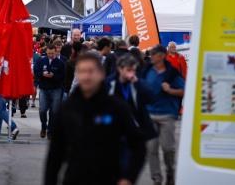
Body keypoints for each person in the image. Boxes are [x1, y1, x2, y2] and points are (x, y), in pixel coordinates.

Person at [45, 51, 141, 185]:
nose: (86, 76)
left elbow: (138, 145)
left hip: (109, 178)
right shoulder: (67, 109)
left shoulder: (117, 107)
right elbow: (55, 153)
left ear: (101, 74)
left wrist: (129, 177)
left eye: (91, 71)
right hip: (75, 178)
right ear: (76, 74)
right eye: (82, 71)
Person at [106, 54, 157, 183]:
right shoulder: (109, 83)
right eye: (129, 70)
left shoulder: (136, 83)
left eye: (134, 70)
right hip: (113, 132)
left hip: (134, 132)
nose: (132, 73)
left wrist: (137, 82)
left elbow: (151, 98)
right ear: (120, 69)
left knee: (130, 168)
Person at [141, 45, 184, 185]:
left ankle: (170, 172)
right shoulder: (147, 71)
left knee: (167, 148)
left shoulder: (172, 73)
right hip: (150, 114)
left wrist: (170, 90)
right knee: (151, 148)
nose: (151, 56)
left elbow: (185, 91)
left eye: (153, 54)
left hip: (167, 115)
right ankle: (156, 179)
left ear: (161, 56)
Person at [34, 41, 65, 139]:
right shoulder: (41, 60)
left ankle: (50, 130)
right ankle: (44, 126)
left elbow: (63, 76)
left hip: (56, 89)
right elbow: (36, 71)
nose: (50, 55)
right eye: (48, 53)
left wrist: (54, 76)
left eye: (52, 53)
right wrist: (42, 75)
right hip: (44, 88)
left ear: (56, 52)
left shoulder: (60, 63)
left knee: (54, 111)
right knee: (42, 110)